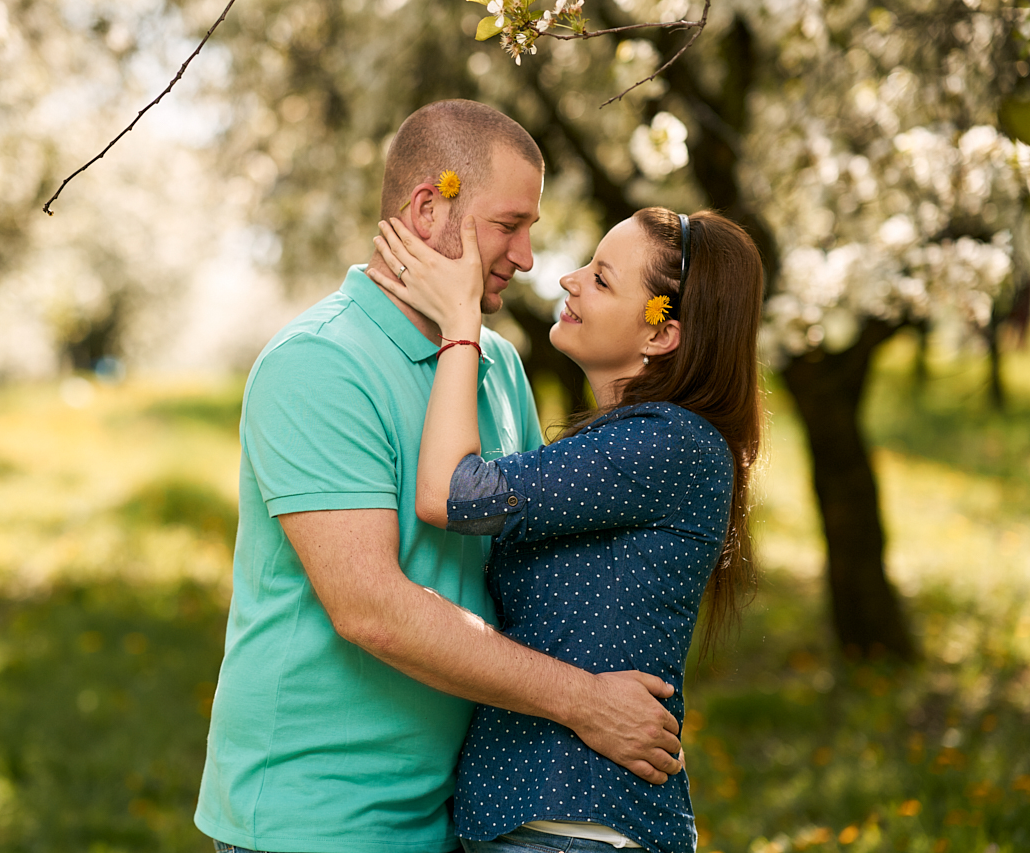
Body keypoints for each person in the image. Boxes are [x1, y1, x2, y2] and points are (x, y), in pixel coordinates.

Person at [194, 100, 685, 853]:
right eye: (509, 224)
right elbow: (373, 610)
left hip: (451, 816)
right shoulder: (318, 364)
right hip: (313, 819)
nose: (527, 257)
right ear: (430, 208)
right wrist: (584, 701)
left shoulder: (495, 366)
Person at [367, 206, 764, 853]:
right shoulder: (634, 442)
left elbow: (449, 493)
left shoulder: (667, 442)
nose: (568, 281)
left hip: (573, 826)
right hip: (543, 825)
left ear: (662, 334)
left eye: (603, 280)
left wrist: (460, 324)